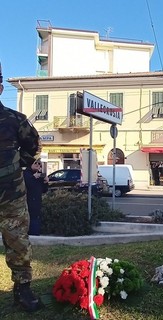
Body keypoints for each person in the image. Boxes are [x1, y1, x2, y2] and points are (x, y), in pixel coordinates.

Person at [0, 62, 43, 312]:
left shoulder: (15, 120)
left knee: (18, 243)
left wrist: (18, 168)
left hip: (11, 195)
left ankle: (23, 289)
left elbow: (34, 146)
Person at [23, 160, 48, 236]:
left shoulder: (40, 175)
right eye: (35, 163)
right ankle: (32, 232)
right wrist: (33, 178)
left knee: (36, 217)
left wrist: (45, 182)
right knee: (31, 217)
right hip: (28, 200)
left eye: (39, 164)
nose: (37, 165)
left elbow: (44, 190)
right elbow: (27, 184)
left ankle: (36, 232)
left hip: (37, 200)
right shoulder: (26, 173)